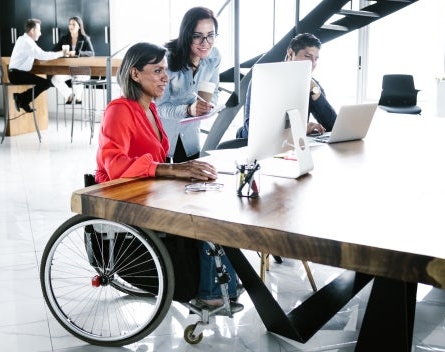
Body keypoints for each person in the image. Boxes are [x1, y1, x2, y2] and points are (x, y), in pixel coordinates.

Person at [95, 42, 243, 312]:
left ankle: (223, 280)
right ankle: (211, 290)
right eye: (158, 71)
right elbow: (114, 164)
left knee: (215, 197)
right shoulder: (119, 110)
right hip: (126, 197)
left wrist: (185, 172)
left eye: (166, 70)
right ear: (135, 74)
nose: (166, 77)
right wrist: (173, 170)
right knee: (203, 214)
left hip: (149, 190)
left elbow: (157, 159)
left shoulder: (150, 108)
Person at [239, 33, 337, 139]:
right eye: (308, 56)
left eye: (316, 59)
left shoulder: (312, 85)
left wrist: (315, 90)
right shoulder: (264, 79)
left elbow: (333, 127)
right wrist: (298, 129)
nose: (312, 64)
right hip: (257, 145)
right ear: (290, 54)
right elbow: (252, 130)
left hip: (293, 147)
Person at [156, 7, 220, 162]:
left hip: (190, 139)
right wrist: (188, 110)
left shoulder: (214, 56)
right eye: (198, 36)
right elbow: (159, 108)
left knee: (191, 183)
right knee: (163, 186)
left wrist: (208, 105)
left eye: (210, 36)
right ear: (186, 35)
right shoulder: (166, 60)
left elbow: (213, 93)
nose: (205, 43)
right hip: (162, 139)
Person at [8, 18, 64, 113]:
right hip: (17, 75)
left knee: (45, 83)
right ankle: (21, 98)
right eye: (39, 30)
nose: (40, 33)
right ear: (33, 30)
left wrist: (38, 58)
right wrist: (61, 53)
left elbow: (39, 54)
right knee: (46, 83)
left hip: (17, 74)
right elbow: (43, 54)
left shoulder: (25, 40)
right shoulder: (27, 42)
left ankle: (22, 100)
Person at [51, 16, 95, 104]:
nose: (71, 26)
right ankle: (69, 95)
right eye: (70, 24)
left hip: (82, 70)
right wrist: (62, 52)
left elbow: (91, 53)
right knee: (55, 79)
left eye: (73, 24)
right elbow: (54, 50)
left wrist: (77, 53)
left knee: (77, 78)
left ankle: (78, 98)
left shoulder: (85, 38)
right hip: (68, 70)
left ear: (79, 26)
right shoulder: (64, 38)